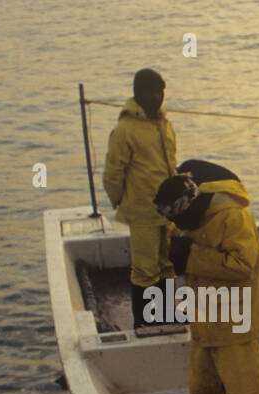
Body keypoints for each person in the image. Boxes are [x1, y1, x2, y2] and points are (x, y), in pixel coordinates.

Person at [154, 172, 259, 394]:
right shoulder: (192, 212)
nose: (176, 227)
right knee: (202, 385)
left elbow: (242, 264)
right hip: (206, 315)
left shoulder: (233, 217)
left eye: (176, 221)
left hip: (237, 319)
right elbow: (182, 240)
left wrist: (192, 256)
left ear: (188, 208)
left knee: (245, 390)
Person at [103, 68, 177, 331]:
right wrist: (119, 202)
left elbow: (172, 165)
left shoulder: (164, 124)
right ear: (138, 93)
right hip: (142, 210)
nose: (156, 97)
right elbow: (113, 172)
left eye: (160, 92)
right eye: (151, 92)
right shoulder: (124, 130)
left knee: (167, 265)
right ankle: (145, 321)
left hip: (167, 211)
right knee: (145, 268)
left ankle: (167, 315)